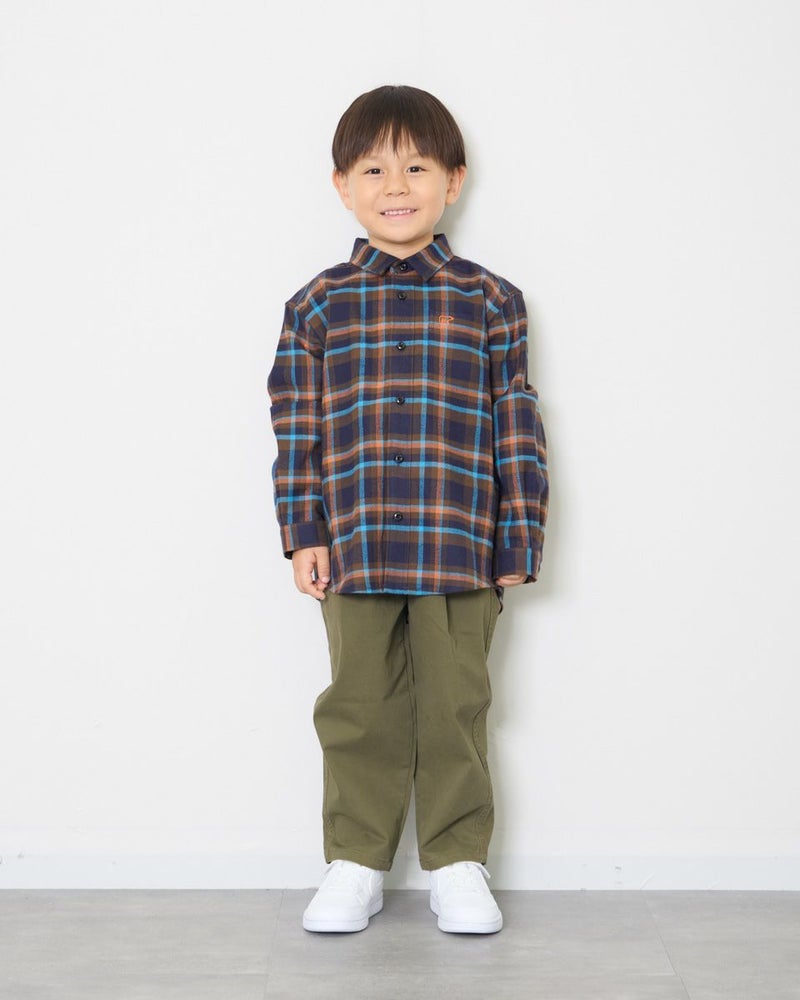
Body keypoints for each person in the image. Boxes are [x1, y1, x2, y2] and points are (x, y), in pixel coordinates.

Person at [268, 84, 548, 935]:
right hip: (353, 547)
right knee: (357, 707)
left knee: (455, 705)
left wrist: (520, 535)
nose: (396, 185)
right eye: (374, 169)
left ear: (453, 181)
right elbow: (297, 427)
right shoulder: (316, 305)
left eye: (417, 167)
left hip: (459, 546)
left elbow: (516, 419)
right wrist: (303, 534)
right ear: (342, 186)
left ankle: (458, 863)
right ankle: (355, 862)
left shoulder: (490, 300)